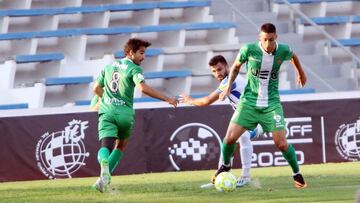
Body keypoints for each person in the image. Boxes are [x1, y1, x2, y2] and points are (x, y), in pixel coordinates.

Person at [213, 23, 308, 189]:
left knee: (281, 144)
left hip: (271, 104)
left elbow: (293, 56)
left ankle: (297, 174)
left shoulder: (283, 50)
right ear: (260, 38)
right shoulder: (249, 50)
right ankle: (226, 165)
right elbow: (235, 67)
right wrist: (228, 87)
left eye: (271, 40)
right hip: (248, 102)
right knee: (228, 140)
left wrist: (300, 72)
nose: (268, 44)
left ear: (276, 37)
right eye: (265, 40)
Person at [92, 38, 178, 192]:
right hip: (125, 114)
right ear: (130, 53)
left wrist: (103, 98)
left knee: (106, 146)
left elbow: (96, 88)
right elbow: (142, 88)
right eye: (141, 53)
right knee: (121, 146)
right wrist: (167, 98)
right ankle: (102, 180)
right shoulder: (134, 69)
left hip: (107, 112)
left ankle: (103, 164)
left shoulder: (108, 67)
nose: (143, 57)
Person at [179, 55, 263, 188]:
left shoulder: (230, 81)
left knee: (242, 136)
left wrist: (190, 100)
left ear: (226, 67)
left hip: (258, 118)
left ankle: (246, 176)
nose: (217, 73)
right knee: (227, 142)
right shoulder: (227, 81)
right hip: (245, 116)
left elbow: (207, 101)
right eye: (214, 71)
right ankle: (220, 177)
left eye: (219, 69)